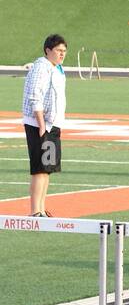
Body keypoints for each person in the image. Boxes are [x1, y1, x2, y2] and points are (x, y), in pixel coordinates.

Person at [22, 34, 68, 217]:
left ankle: (42, 208)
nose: (61, 54)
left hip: (53, 124)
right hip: (40, 124)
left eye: (64, 51)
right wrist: (41, 124)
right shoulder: (41, 67)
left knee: (47, 169)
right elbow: (35, 95)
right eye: (58, 50)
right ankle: (35, 211)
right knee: (39, 169)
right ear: (48, 50)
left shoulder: (57, 69)